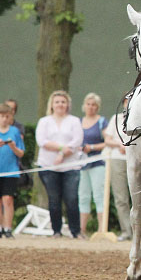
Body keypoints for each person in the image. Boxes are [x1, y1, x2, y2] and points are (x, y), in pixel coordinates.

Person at [36, 90, 84, 238]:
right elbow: (42, 141)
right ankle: (56, 230)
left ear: (67, 104)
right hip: (48, 166)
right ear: (52, 104)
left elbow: (77, 141)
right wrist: (62, 148)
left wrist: (62, 155)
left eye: (63, 102)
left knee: (71, 199)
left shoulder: (74, 121)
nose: (60, 104)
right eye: (57, 102)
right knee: (54, 199)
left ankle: (75, 231)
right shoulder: (44, 121)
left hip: (71, 167)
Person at [77, 93, 108, 236]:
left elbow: (107, 141)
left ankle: (101, 229)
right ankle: (81, 230)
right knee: (83, 196)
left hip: (97, 162)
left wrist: (93, 147)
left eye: (94, 105)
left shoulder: (101, 121)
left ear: (97, 107)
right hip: (81, 163)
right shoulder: (78, 122)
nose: (91, 107)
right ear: (84, 106)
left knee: (99, 195)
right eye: (88, 104)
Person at [0, 103, 25, 238]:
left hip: (11, 171)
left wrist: (13, 147)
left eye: (7, 116)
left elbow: (21, 153)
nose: (4, 119)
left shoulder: (15, 132)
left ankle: (8, 228)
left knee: (8, 199)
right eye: (2, 116)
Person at [103, 106, 133, 241]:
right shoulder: (116, 118)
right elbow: (107, 139)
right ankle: (127, 232)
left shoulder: (140, 116)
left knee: (139, 197)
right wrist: (119, 145)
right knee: (121, 198)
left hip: (136, 158)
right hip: (117, 158)